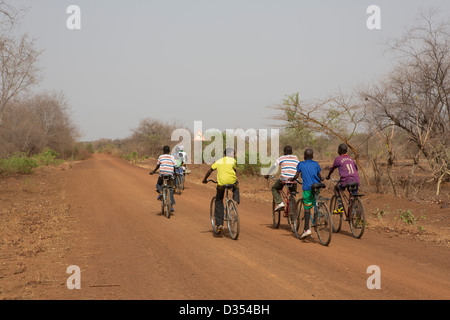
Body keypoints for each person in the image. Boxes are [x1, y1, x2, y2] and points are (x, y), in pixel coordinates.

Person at [202, 148, 240, 233]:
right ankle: (235, 201)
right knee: (236, 186)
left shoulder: (218, 161)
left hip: (222, 184)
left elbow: (210, 170)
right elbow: (234, 170)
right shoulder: (233, 161)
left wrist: (205, 179)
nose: (234, 155)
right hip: (232, 183)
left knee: (218, 200)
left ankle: (219, 224)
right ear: (230, 154)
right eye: (233, 153)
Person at [290, 149, 324, 239]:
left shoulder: (301, 164)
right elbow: (319, 175)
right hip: (317, 186)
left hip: (308, 188)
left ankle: (306, 230)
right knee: (315, 201)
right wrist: (322, 178)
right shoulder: (316, 164)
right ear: (312, 156)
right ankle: (319, 212)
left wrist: (292, 179)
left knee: (307, 208)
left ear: (304, 156)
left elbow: (296, 176)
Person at [325, 143, 360, 215]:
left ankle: (340, 207)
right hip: (355, 179)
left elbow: (332, 169)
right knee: (354, 194)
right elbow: (356, 169)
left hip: (346, 180)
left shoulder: (338, 159)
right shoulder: (351, 159)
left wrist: (328, 176)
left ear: (339, 151)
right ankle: (354, 209)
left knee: (336, 188)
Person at [264, 146, 299, 213]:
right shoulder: (296, 158)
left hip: (284, 179)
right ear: (291, 152)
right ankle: (293, 205)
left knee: (274, 188)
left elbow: (274, 166)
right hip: (294, 179)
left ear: (284, 152)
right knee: (292, 192)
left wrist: (267, 174)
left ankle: (280, 203)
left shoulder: (282, 158)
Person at [149, 145, 176, 210]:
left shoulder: (161, 157)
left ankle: (161, 192)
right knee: (171, 189)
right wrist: (173, 173)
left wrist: (153, 171)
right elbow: (174, 166)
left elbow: (158, 166)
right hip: (170, 175)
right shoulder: (172, 157)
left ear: (163, 151)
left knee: (158, 184)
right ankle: (171, 206)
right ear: (169, 151)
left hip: (162, 174)